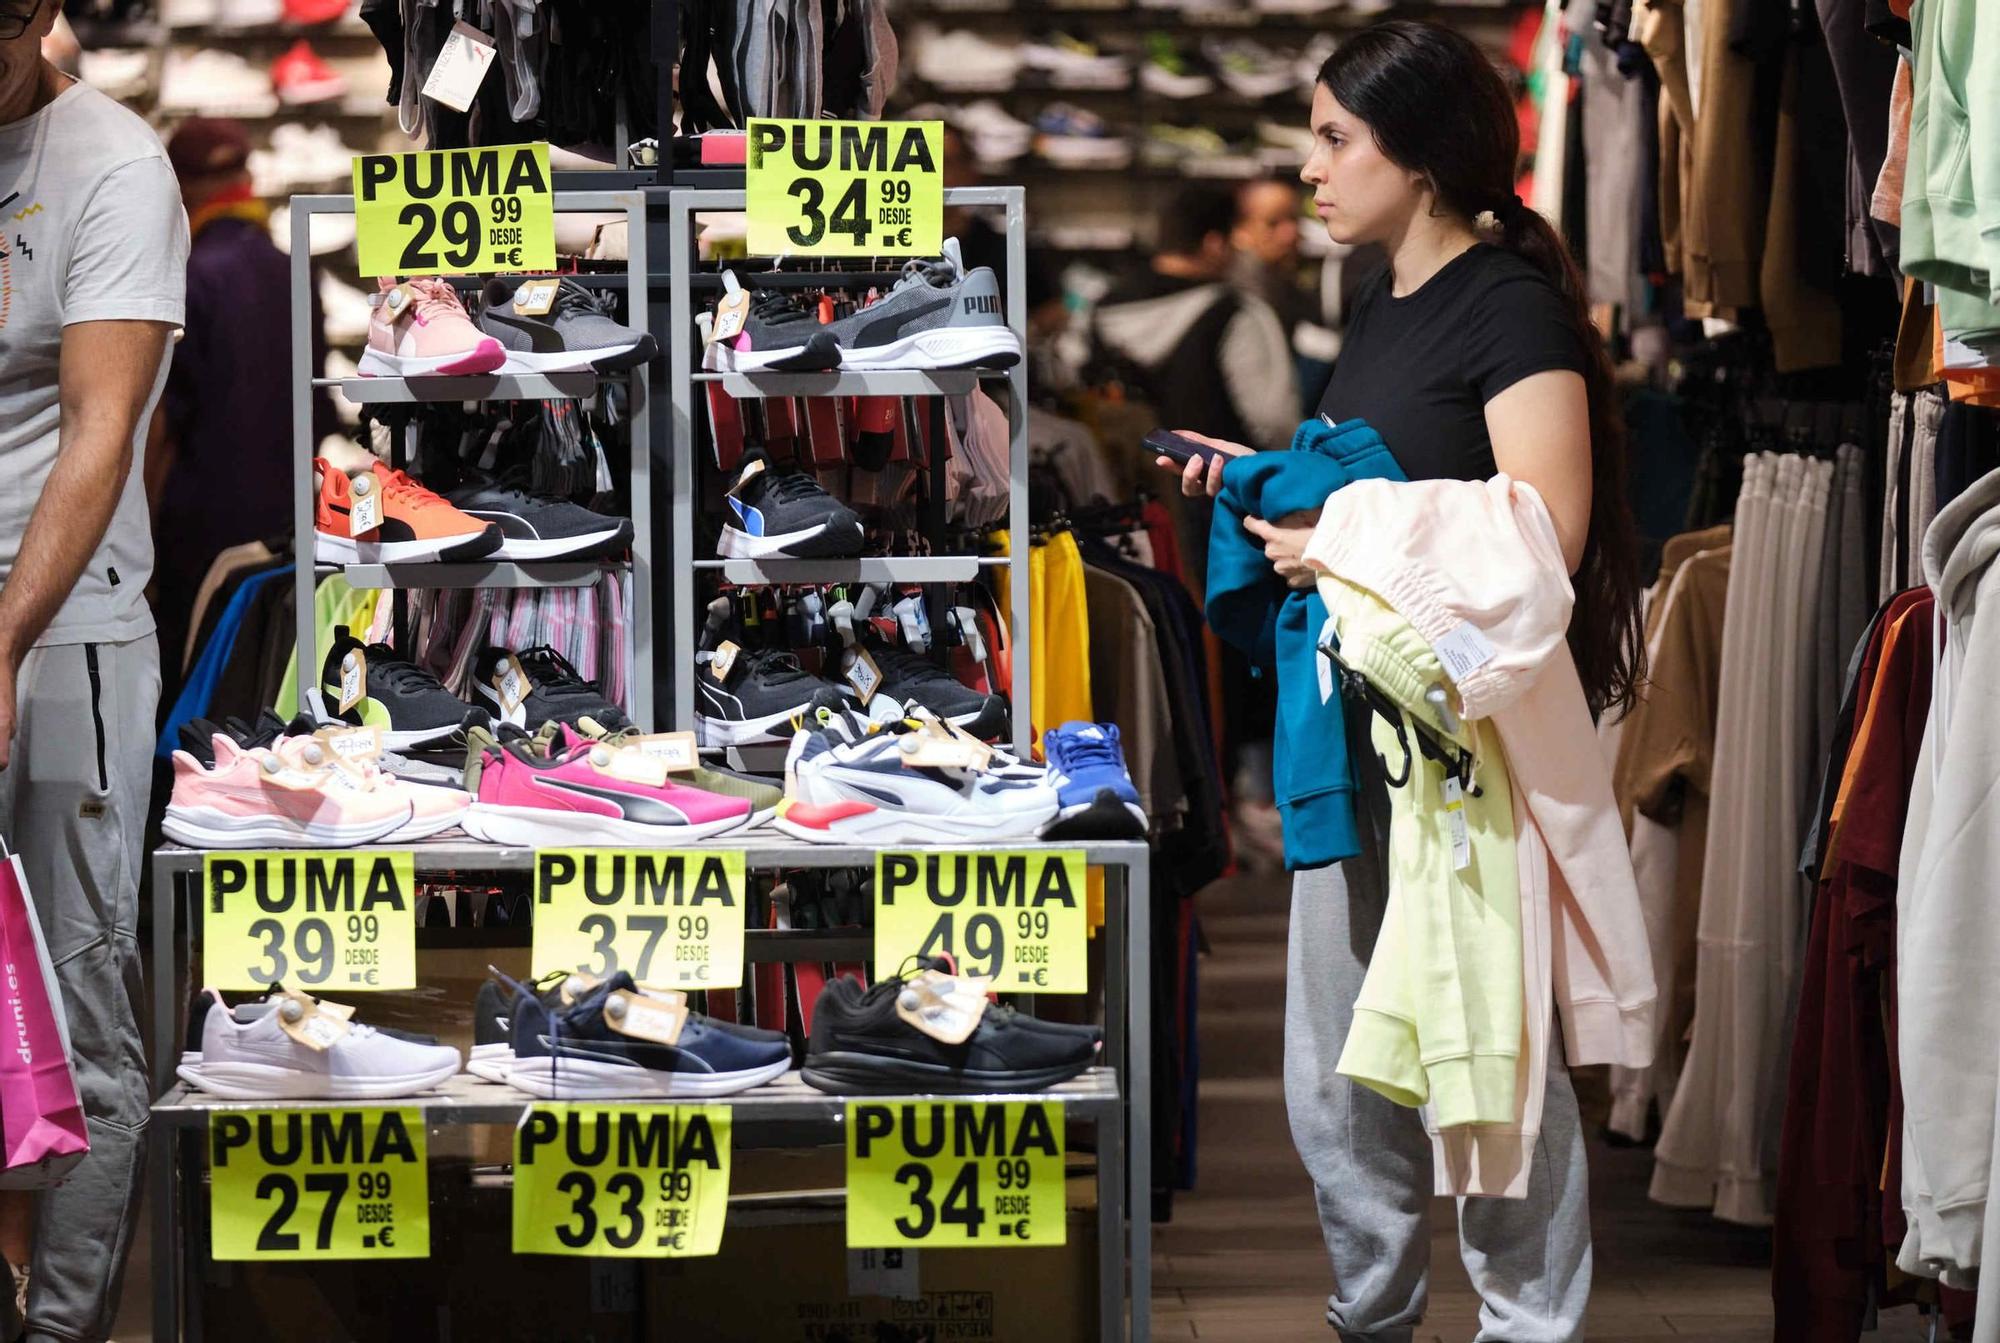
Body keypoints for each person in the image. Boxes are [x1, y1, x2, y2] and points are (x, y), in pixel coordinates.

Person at [1161, 21, 1644, 1343]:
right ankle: (1366, 1319)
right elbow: (1391, 496)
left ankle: (1528, 1327)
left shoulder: (1510, 307)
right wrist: (1271, 494)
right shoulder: (1376, 305)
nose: (1308, 168)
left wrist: (1338, 539)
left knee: (1488, 1062)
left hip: (1461, 753)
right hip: (1349, 737)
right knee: (1340, 1075)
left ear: (1420, 158)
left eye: (1335, 139)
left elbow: (1545, 540)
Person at [0, 1, 187, 1338]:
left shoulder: (109, 163)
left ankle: (62, 1327)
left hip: (59, 627)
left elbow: (101, 426)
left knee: (75, 1010)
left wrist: (0, 639)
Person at [150, 117, 332, 702]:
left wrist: (141, 531)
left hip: (198, 528)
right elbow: (318, 409)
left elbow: (163, 427)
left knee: (190, 684)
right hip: (286, 519)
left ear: (181, 189)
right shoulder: (295, 272)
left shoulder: (186, 276)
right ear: (247, 179)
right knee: (266, 681)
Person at [1093, 183, 1299, 452]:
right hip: (1215, 483)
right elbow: (1274, 420)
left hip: (1127, 480)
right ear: (1213, 244)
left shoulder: (1102, 307)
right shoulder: (1235, 314)